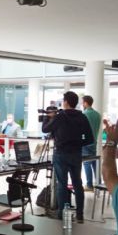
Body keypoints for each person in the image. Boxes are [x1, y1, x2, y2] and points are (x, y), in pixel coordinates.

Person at [41, 91, 95, 222]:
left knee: (62, 184)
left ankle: (62, 214)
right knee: (77, 183)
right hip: (76, 154)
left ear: (65, 102)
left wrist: (47, 117)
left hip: (61, 154)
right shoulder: (82, 117)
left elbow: (45, 129)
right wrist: (77, 144)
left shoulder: (60, 116)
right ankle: (80, 215)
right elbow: (90, 139)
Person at [81, 95, 102, 191]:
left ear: (85, 103)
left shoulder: (84, 114)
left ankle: (89, 185)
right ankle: (99, 183)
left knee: (86, 163)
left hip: (86, 142)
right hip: (94, 141)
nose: (82, 104)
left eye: (82, 102)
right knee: (94, 162)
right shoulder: (98, 115)